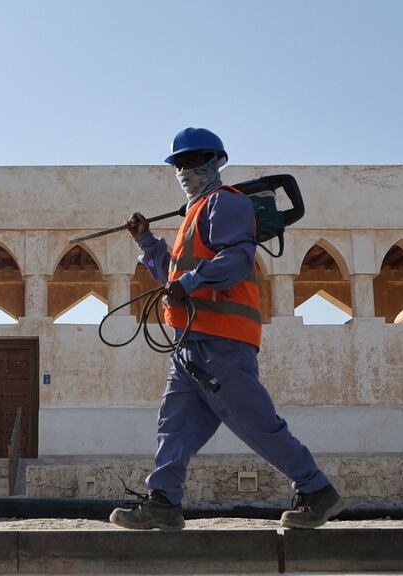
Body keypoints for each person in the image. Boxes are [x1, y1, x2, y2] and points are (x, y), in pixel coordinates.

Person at [108, 127, 344, 531]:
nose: (186, 169)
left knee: (254, 422)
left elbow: (237, 259)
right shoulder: (193, 215)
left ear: (216, 161)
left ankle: (317, 490)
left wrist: (190, 284)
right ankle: (163, 502)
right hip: (190, 343)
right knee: (174, 425)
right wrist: (146, 240)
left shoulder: (227, 203)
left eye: (194, 161)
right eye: (180, 163)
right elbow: (173, 275)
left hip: (222, 339)